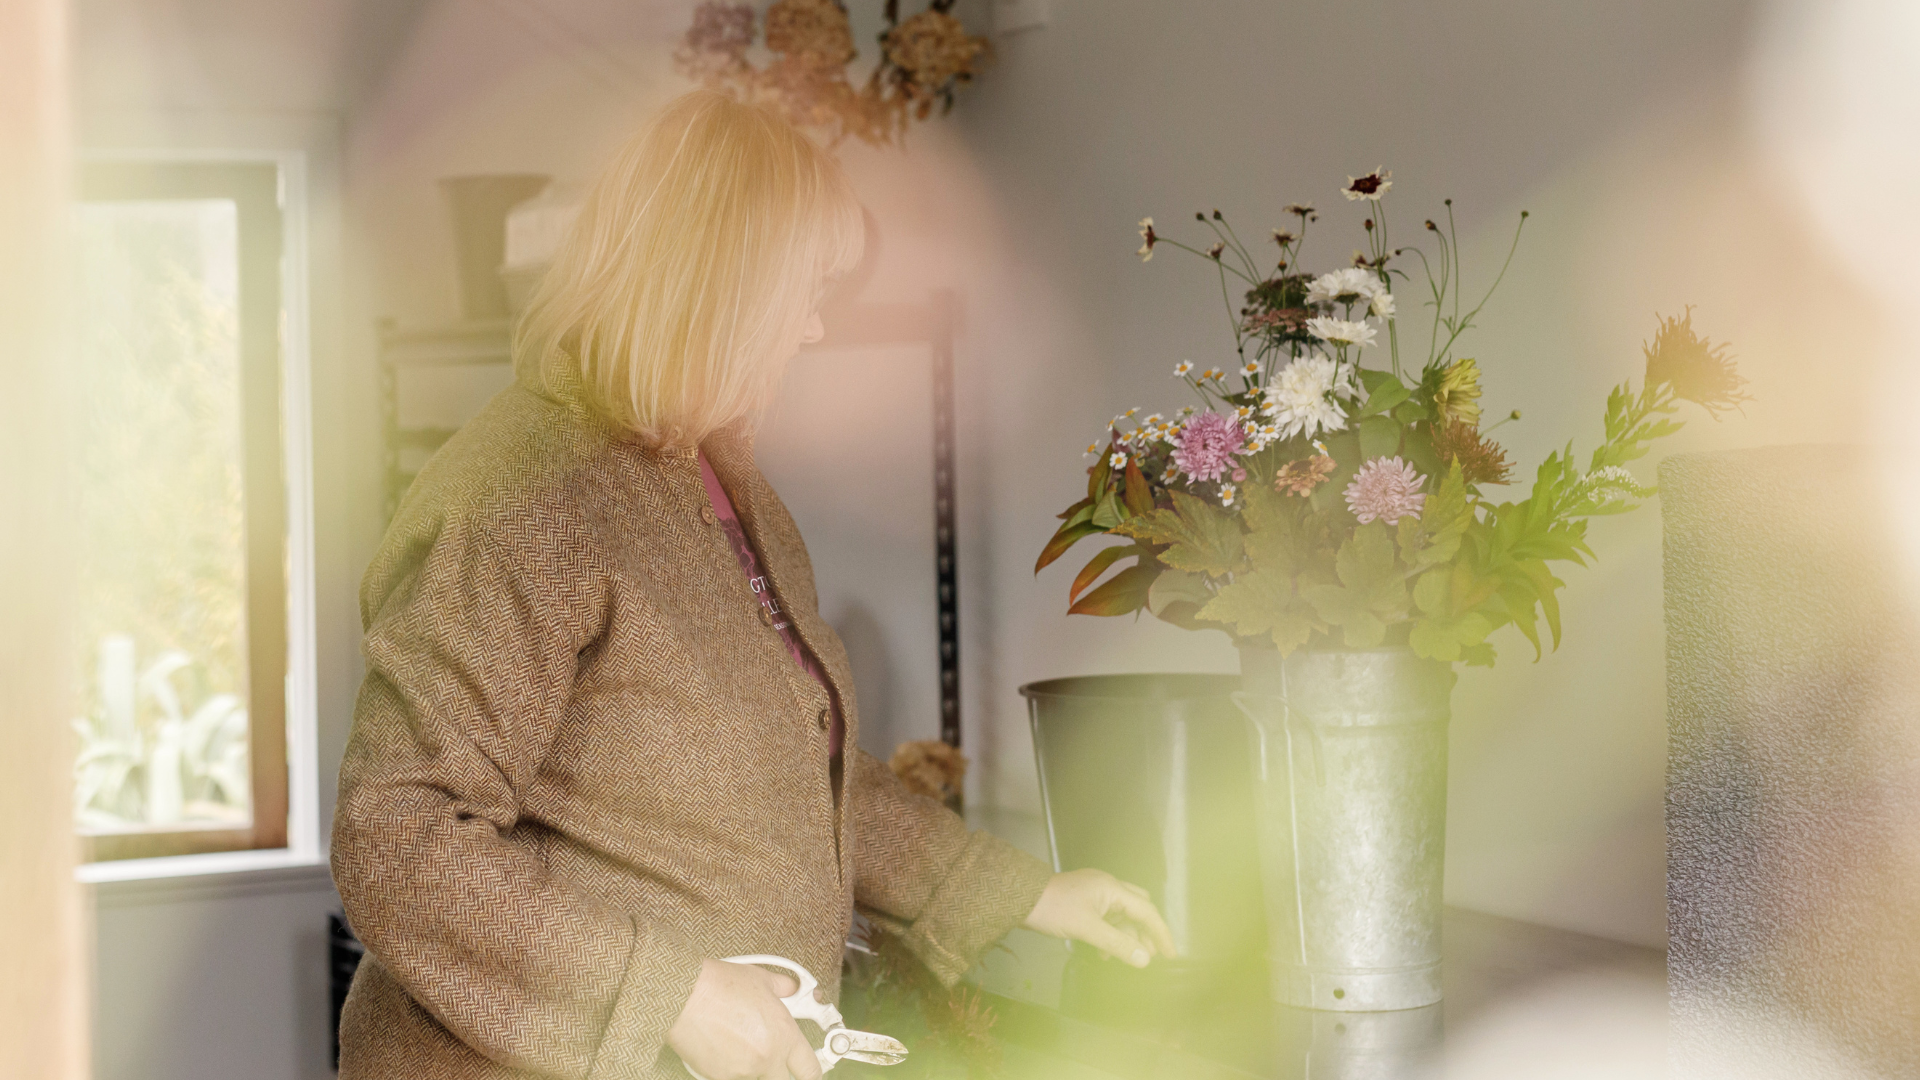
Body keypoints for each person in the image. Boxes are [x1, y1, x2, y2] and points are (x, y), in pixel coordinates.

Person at [331, 90, 1173, 1080]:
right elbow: (399, 838)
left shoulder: (721, 480)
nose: (812, 329)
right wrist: (670, 995)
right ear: (715, 286)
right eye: (802, 291)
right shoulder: (520, 498)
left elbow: (799, 780)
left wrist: (1026, 893)